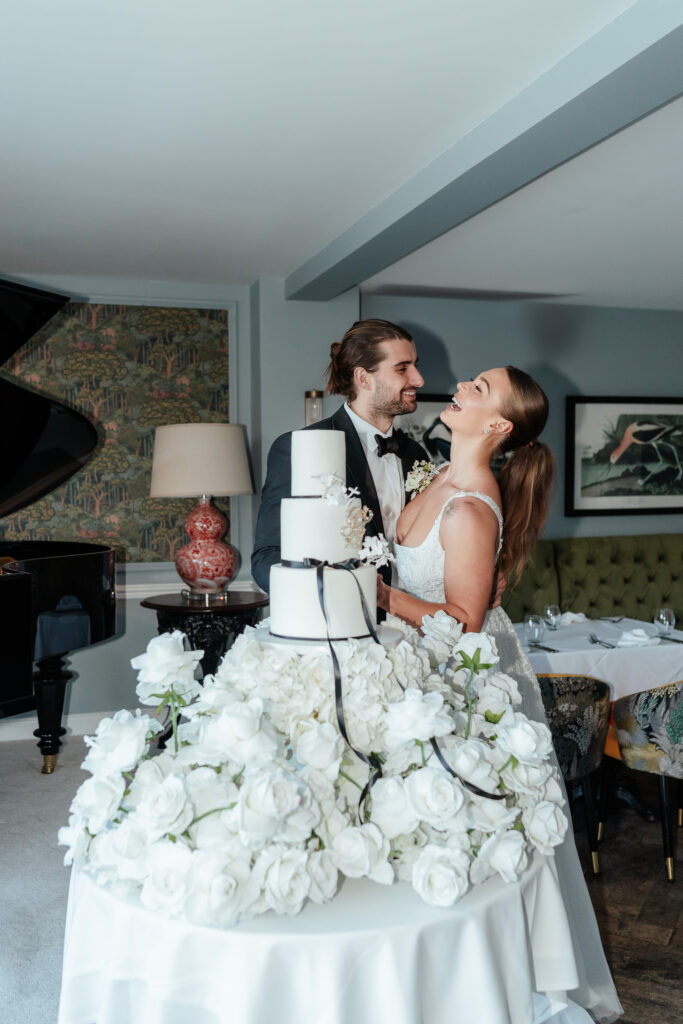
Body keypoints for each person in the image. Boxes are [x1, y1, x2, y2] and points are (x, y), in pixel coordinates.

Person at [378, 364, 623, 1022]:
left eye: (477, 388)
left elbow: (462, 617)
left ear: (497, 427)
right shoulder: (439, 479)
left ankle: (481, 981)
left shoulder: (470, 501)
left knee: (465, 825)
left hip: (454, 678)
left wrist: (376, 594)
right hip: (407, 665)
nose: (459, 385)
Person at [251, 318, 427, 593]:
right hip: (341, 625)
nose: (418, 379)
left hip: (415, 622)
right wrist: (323, 598)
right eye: (403, 368)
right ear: (363, 378)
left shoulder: (415, 454)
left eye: (416, 366)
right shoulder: (301, 447)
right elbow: (267, 557)